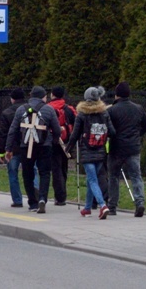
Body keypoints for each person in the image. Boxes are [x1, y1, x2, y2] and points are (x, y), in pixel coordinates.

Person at [6, 86, 61, 214]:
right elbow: (57, 129)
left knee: (27, 174)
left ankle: (32, 202)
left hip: (26, 146)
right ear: (43, 97)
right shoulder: (49, 109)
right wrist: (54, 140)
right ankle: (42, 198)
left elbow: (13, 130)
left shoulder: (21, 110)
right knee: (44, 173)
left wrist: (8, 148)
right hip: (44, 146)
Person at [64, 86, 116, 219]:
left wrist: (68, 148)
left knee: (92, 180)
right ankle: (87, 208)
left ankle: (102, 206)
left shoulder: (82, 114)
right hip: (100, 151)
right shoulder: (104, 113)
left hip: (87, 152)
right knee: (91, 180)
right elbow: (112, 132)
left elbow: (75, 134)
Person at [107, 81, 146, 217]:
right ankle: (140, 203)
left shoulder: (112, 110)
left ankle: (112, 206)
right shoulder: (138, 108)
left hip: (116, 148)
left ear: (117, 95)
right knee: (136, 176)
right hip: (133, 147)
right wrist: (137, 135)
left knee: (113, 176)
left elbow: (109, 130)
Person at [0, 88, 28, 207]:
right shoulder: (29, 110)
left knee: (13, 173)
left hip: (13, 149)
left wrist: (1, 151)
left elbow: (3, 133)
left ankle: (17, 200)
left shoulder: (7, 113)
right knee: (31, 171)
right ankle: (34, 196)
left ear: (12, 99)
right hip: (27, 146)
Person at [47, 86, 77, 206]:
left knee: (56, 168)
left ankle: (59, 197)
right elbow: (76, 122)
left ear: (52, 95)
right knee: (64, 167)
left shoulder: (48, 108)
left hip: (53, 141)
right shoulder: (69, 108)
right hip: (67, 142)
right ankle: (63, 193)